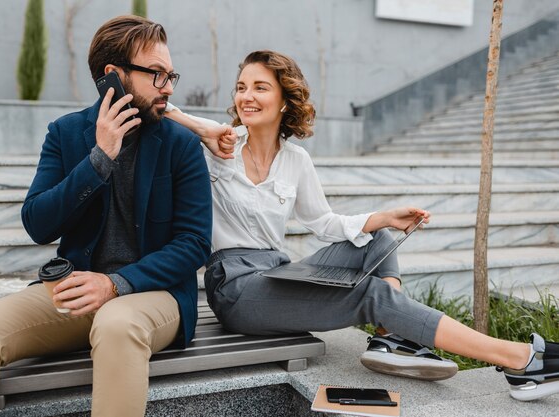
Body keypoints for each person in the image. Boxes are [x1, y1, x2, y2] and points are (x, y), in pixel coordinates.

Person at [164, 49, 559, 401]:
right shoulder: (218, 147)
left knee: (377, 238)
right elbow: (156, 109)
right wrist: (202, 128)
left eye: (260, 87)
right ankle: (519, 359)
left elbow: (323, 222)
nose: (247, 96)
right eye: (241, 87)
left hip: (275, 270)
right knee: (373, 294)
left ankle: (389, 339)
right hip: (235, 286)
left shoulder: (296, 160)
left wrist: (384, 217)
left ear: (285, 100)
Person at [0, 16, 213, 417]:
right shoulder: (65, 133)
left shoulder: (181, 145)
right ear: (113, 76)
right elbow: (37, 223)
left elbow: (195, 243)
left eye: (171, 75)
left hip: (155, 295)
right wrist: (98, 160)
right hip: (74, 292)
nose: (168, 86)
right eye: (156, 74)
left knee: (117, 324)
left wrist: (115, 283)